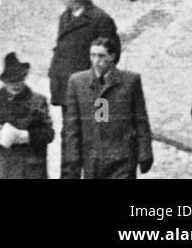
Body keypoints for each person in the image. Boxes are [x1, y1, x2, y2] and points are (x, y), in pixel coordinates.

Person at [61, 36, 154, 179]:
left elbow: (141, 120)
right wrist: (72, 159)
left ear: (112, 56)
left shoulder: (130, 81)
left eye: (101, 56)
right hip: (93, 160)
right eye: (93, 55)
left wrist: (145, 153)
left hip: (122, 159)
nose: (96, 60)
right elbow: (72, 126)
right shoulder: (77, 82)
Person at [0, 52, 55, 179]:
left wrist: (27, 136)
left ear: (24, 78)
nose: (15, 84)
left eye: (19, 80)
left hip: (30, 170)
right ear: (4, 82)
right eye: (11, 81)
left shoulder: (38, 101)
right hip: (2, 170)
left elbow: (48, 133)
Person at [48, 0, 118, 109]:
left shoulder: (100, 19)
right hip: (64, 81)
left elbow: (112, 54)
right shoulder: (65, 16)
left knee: (92, 125)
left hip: (87, 84)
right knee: (69, 125)